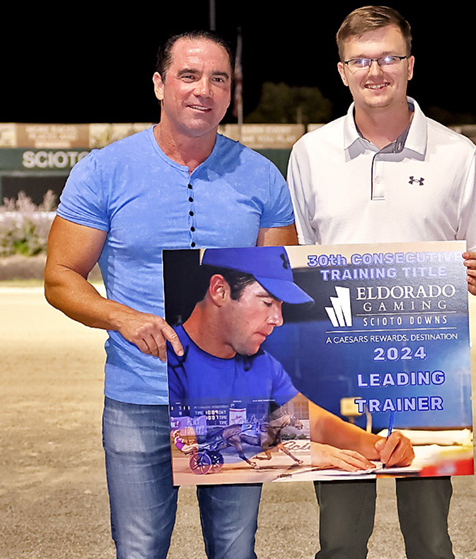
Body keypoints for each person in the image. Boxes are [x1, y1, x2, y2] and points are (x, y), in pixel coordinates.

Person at [44, 30, 297, 559]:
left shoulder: (263, 177)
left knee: (234, 549)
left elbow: (281, 290)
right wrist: (123, 318)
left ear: (232, 92)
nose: (203, 89)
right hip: (138, 397)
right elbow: (61, 276)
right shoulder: (103, 170)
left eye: (218, 78)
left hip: (234, 400)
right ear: (160, 84)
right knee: (139, 550)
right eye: (188, 75)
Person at [286, 6, 476, 559]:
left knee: (430, 540)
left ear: (410, 65)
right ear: (342, 71)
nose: (374, 71)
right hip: (336, 365)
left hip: (425, 368)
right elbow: (298, 262)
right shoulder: (309, 154)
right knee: (339, 540)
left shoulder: (458, 155)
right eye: (360, 60)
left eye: (387, 57)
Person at [168, 247, 413, 472]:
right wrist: (294, 453)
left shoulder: (264, 365)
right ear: (220, 291)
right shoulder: (163, 359)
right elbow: (184, 456)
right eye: (267, 302)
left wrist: (381, 446)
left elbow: (317, 426)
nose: (278, 319)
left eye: (280, 305)